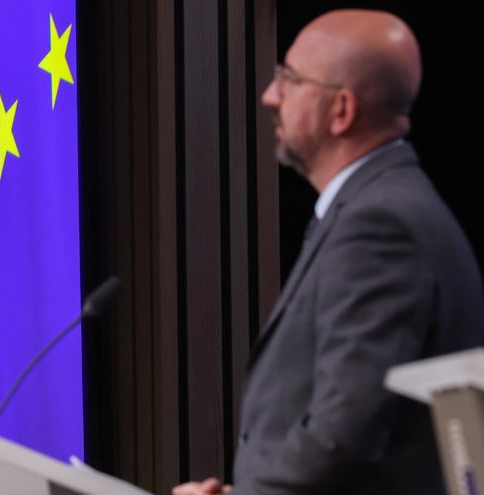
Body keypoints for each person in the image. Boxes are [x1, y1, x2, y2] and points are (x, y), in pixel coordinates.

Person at [175, 9, 484, 495]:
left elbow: (343, 436)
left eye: (289, 80)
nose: (269, 96)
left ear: (341, 110)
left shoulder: (381, 225)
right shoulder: (375, 205)